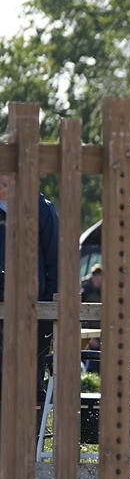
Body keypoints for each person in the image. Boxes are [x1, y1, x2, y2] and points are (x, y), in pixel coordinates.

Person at [0, 171, 59, 402]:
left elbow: (55, 262)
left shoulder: (41, 208)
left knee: (29, 382)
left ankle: (31, 437)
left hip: (33, 310)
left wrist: (47, 310)